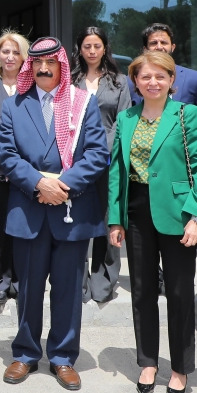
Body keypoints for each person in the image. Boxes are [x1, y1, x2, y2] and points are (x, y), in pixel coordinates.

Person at [0, 37, 108, 391]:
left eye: (51, 63)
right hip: (29, 210)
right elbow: (6, 155)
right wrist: (39, 184)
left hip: (72, 210)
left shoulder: (83, 102)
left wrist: (62, 186)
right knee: (28, 289)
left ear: (62, 65)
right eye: (38, 63)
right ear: (30, 67)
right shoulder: (14, 105)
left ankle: (62, 357)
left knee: (68, 290)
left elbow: (97, 154)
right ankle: (25, 353)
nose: (44, 69)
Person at [108, 51, 197, 393]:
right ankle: (148, 362)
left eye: (159, 76)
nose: (152, 82)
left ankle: (180, 368)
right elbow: (116, 170)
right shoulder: (126, 118)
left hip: (178, 211)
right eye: (145, 77)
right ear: (135, 82)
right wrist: (115, 218)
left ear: (171, 80)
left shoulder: (187, 114)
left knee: (180, 293)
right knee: (141, 291)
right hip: (136, 210)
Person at [72, 27, 133, 304]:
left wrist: (109, 153)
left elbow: (124, 121)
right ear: (80, 49)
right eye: (87, 46)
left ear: (105, 48)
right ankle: (78, 280)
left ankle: (104, 280)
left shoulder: (118, 81)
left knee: (109, 218)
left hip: (109, 160)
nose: (92, 51)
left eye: (97, 46)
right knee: (78, 219)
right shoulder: (70, 80)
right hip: (76, 161)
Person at [0, 31, 30, 306]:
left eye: (15, 52)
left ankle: (20, 279)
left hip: (26, 168)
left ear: (24, 56)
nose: (10, 57)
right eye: (5, 51)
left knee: (22, 226)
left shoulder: (33, 85)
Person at [128, 23, 197, 125]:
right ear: (145, 49)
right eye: (154, 43)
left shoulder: (196, 79)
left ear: (172, 47)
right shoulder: (130, 82)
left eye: (164, 42)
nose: (159, 47)